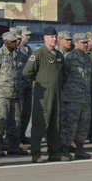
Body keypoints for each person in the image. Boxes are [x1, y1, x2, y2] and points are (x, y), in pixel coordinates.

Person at [23, 27, 66, 162]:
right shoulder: (39, 54)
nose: (54, 39)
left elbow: (63, 73)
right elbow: (27, 72)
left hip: (56, 94)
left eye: (55, 36)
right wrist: (41, 81)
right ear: (45, 38)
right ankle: (36, 153)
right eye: (51, 37)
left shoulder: (59, 55)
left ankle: (54, 152)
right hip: (44, 95)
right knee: (40, 123)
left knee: (55, 123)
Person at [0, 31, 24, 156]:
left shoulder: (19, 55)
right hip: (2, 95)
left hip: (16, 94)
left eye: (16, 41)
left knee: (15, 122)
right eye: (12, 41)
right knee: (0, 121)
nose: (15, 43)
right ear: (5, 42)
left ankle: (13, 146)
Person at [61, 32, 92, 159]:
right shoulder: (69, 58)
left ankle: (80, 149)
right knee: (69, 125)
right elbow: (62, 77)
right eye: (83, 42)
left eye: (87, 42)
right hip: (71, 98)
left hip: (85, 98)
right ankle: (65, 149)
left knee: (83, 125)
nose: (86, 44)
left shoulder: (87, 59)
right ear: (76, 43)